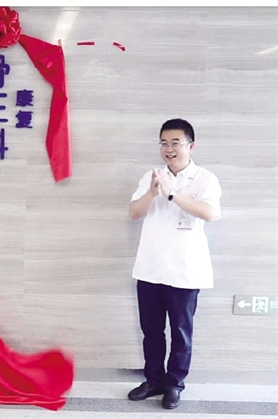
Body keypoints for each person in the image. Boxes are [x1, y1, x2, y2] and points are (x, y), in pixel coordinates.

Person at [127, 118, 222, 410]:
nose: (169, 149)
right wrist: (153, 192)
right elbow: (134, 212)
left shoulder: (205, 178)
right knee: (152, 331)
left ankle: (174, 384)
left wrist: (172, 194)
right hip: (150, 268)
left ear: (190, 146)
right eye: (164, 143)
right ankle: (153, 380)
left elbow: (210, 213)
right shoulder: (151, 176)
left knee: (181, 332)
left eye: (175, 143)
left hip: (185, 271)